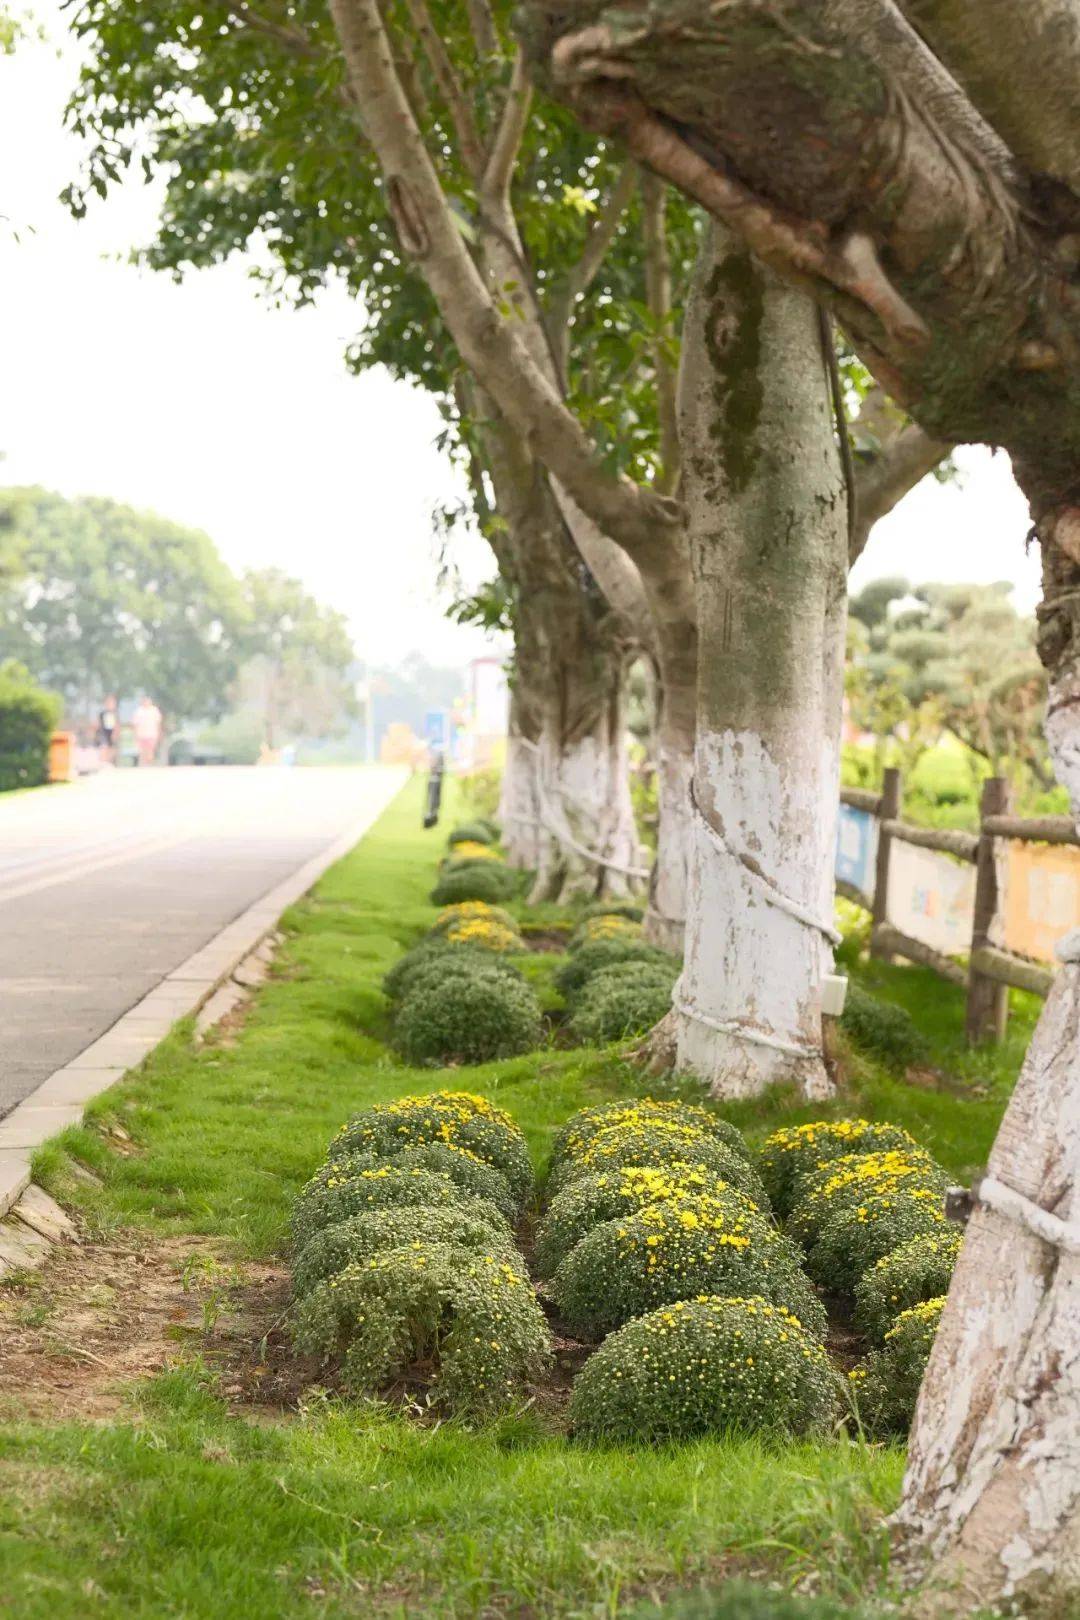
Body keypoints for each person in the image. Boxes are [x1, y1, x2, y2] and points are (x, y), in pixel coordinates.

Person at [132, 695, 163, 767]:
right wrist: (135, 734)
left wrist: (159, 733)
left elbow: (158, 723)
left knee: (150, 750)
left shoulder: (154, 710)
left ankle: (149, 764)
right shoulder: (139, 711)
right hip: (141, 734)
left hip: (152, 734)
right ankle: (143, 765)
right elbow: (135, 724)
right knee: (142, 751)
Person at [97, 694, 118, 764]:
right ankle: (103, 762)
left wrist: (115, 733)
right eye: (108, 703)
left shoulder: (115, 714)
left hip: (111, 733)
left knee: (112, 748)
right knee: (104, 747)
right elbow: (99, 724)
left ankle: (109, 762)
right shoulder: (102, 713)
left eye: (112, 703)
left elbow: (116, 725)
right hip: (103, 733)